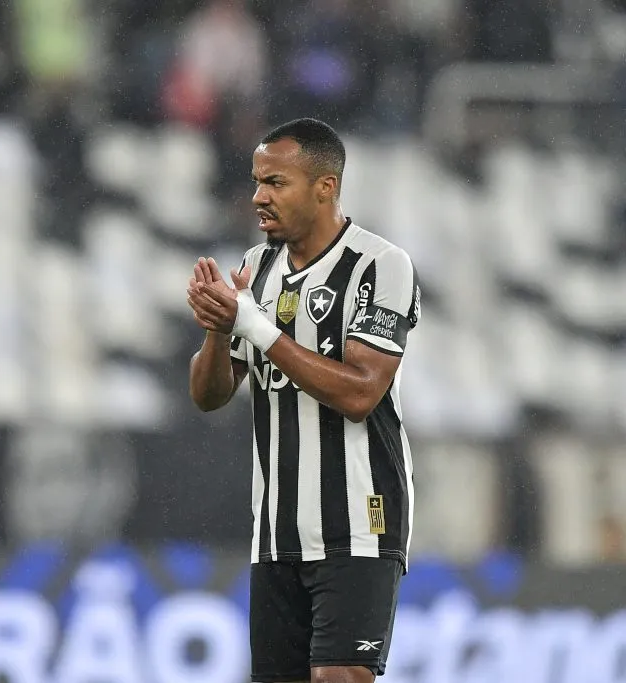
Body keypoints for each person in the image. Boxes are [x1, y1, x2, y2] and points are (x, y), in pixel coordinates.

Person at [187, 118, 421, 683]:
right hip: (274, 533)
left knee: (338, 678)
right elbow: (210, 396)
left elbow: (363, 392)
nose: (258, 196)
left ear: (325, 187)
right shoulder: (257, 268)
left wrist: (258, 328)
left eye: (276, 182)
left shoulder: (379, 265)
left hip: (360, 523)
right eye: (257, 181)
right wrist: (220, 330)